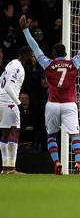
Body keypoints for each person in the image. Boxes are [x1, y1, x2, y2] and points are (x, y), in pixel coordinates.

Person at [20, 13, 80, 176]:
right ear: (66, 53)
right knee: (75, 136)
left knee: (52, 136)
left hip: (52, 104)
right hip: (69, 104)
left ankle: (57, 162)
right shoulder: (74, 63)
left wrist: (26, 31)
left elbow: (35, 48)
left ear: (54, 54)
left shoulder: (47, 63)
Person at [0, 46, 34, 174]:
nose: (32, 57)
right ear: (25, 55)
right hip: (9, 102)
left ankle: (5, 168)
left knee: (4, 134)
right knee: (14, 132)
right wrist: (19, 103)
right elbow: (8, 86)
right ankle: (11, 168)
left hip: (1, 101)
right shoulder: (18, 67)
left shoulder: (10, 64)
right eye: (31, 55)